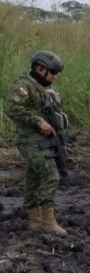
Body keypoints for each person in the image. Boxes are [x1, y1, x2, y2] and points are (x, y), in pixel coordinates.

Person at [4, 50, 70, 236]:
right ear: (41, 69)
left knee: (34, 178)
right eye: (53, 72)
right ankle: (48, 222)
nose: (55, 77)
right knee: (50, 176)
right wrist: (37, 121)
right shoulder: (24, 86)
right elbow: (11, 108)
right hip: (29, 140)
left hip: (45, 141)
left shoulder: (45, 89)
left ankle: (35, 221)